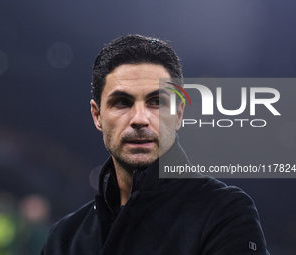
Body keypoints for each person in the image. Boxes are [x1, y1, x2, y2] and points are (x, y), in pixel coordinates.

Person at [41, 34, 269, 255]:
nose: (140, 119)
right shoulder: (64, 238)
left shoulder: (225, 213)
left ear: (179, 114)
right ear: (97, 115)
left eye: (157, 101)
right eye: (122, 102)